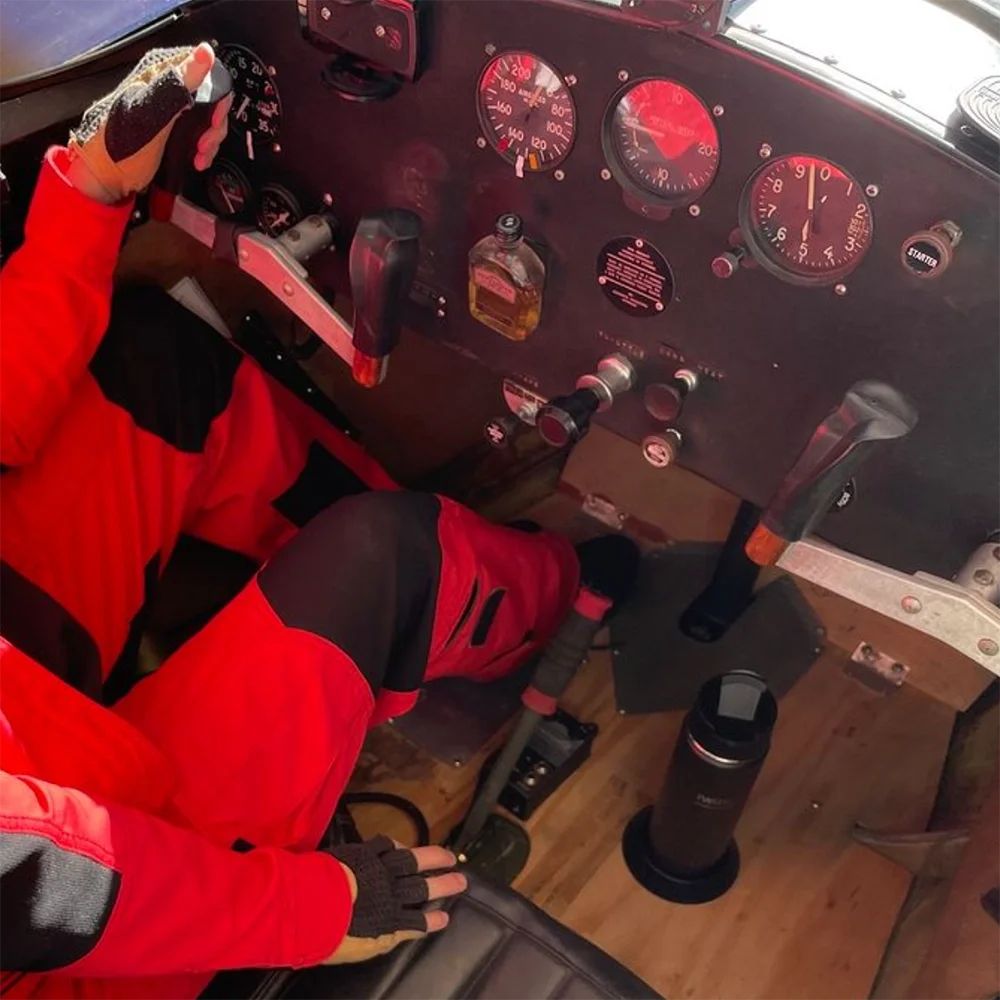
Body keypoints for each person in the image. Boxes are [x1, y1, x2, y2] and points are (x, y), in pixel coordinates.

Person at [0, 43, 581, 1000]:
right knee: (385, 555)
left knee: (156, 367)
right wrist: (308, 911)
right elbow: (42, 884)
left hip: (28, 710)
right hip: (77, 941)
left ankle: (396, 614)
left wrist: (90, 189)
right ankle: (559, 599)